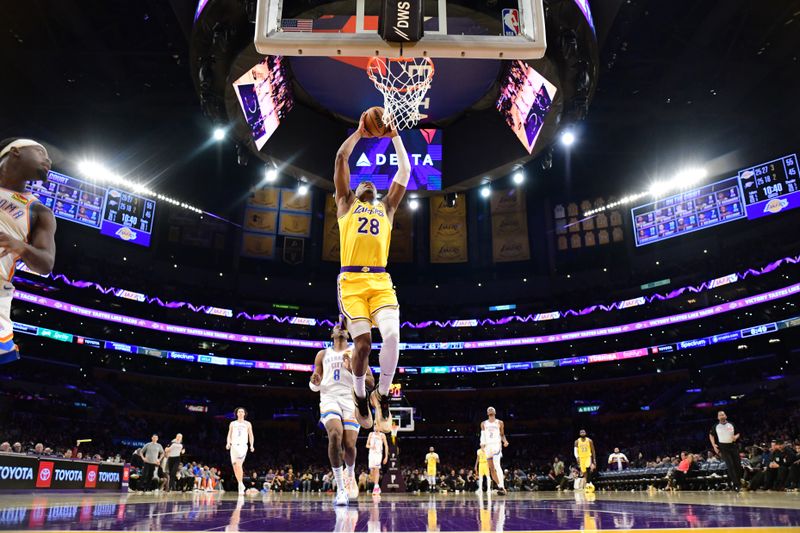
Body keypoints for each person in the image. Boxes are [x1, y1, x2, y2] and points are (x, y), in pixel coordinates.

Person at [332, 114, 411, 432]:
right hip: (351, 282)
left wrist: (394, 136)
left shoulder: (387, 207)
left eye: (370, 183)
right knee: (362, 345)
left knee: (392, 335)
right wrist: (359, 134)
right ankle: (361, 396)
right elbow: (341, 157)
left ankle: (383, 394)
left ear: (376, 192)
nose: (366, 182)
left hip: (380, 280)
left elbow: (405, 170)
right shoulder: (345, 203)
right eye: (360, 181)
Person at [0, 138, 57, 365]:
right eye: (41, 152)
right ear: (15, 151)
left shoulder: (38, 211)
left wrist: (20, 245)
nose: (49, 160)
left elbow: (46, 264)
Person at [310, 324, 375, 506]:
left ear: (348, 333)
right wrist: (314, 382)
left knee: (349, 445)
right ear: (332, 333)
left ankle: (350, 472)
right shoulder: (322, 354)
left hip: (350, 399)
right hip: (329, 397)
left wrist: (353, 370)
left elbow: (370, 382)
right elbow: (316, 381)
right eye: (336, 326)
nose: (340, 327)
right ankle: (340, 488)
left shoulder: (356, 352)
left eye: (343, 326)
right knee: (335, 435)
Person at [708, 410, 741, 491]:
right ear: (718, 417)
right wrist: (714, 445)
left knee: (737, 465)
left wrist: (735, 437)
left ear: (726, 416)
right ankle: (736, 485)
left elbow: (738, 433)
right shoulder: (716, 426)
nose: (722, 416)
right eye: (720, 415)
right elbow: (711, 435)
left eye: (723, 415)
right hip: (723, 447)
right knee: (730, 466)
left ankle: (737, 482)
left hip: (733, 446)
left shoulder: (731, 424)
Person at [226, 407, 255, 494]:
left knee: (239, 464)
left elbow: (251, 435)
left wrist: (252, 445)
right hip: (233, 446)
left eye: (242, 411)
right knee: (235, 466)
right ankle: (240, 483)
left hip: (242, 446)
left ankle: (240, 484)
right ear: (237, 413)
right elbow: (229, 435)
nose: (241, 413)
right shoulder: (232, 423)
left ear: (244, 414)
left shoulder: (248, 424)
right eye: (239, 411)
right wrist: (228, 443)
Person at [481, 407, 509, 495]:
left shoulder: (500, 422)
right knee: (491, 469)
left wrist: (505, 441)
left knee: (497, 465)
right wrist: (482, 444)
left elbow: (502, 435)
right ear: (487, 413)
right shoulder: (483, 423)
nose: (490, 410)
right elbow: (482, 435)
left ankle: (503, 487)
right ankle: (500, 486)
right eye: (488, 409)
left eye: (492, 409)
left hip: (496, 445)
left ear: (495, 412)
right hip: (487, 447)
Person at [366, 426, 388, 495]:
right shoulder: (370, 434)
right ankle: (377, 486)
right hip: (371, 454)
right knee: (372, 473)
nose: (375, 427)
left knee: (376, 469)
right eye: (374, 425)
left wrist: (386, 456)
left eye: (377, 425)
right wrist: (371, 446)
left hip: (378, 454)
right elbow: (367, 445)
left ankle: (375, 487)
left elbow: (386, 446)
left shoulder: (382, 435)